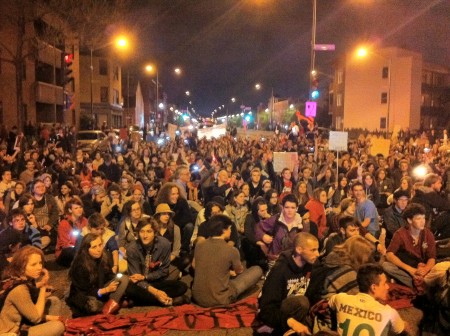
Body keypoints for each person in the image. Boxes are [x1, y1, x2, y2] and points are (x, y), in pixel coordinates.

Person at [192, 214, 262, 307]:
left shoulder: (199, 245)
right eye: (229, 228)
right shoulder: (231, 250)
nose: (230, 231)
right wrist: (229, 271)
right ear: (224, 230)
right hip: (220, 299)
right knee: (257, 270)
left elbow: (195, 265)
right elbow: (239, 271)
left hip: (197, 296)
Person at [257, 232, 319, 336]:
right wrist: (291, 322)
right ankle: (274, 328)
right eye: (313, 250)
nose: (317, 254)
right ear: (299, 250)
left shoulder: (311, 265)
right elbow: (266, 309)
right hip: (277, 309)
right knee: (302, 302)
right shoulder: (279, 271)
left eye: (317, 249)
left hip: (297, 309)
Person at [0, 246, 65, 336]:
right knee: (58, 326)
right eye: (33, 264)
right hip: (10, 331)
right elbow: (36, 318)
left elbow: (28, 290)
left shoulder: (15, 278)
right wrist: (43, 287)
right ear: (21, 266)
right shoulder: (19, 289)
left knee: (53, 301)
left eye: (40, 263)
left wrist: (50, 317)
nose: (39, 267)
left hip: (22, 320)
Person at [328, 264, 408, 336]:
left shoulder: (340, 299)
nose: (387, 287)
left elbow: (329, 303)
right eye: (384, 284)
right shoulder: (388, 312)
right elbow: (402, 329)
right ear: (373, 287)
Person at [126, 218, 188, 306]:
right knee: (129, 289)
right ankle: (170, 301)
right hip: (140, 285)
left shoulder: (164, 244)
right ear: (138, 233)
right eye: (142, 231)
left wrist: (145, 277)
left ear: (155, 233)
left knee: (182, 286)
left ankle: (138, 301)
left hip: (156, 280)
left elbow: (163, 271)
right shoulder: (132, 249)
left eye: (149, 231)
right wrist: (156, 293)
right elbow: (135, 279)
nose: (145, 235)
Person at [67, 233, 131, 316]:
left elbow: (109, 275)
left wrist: (116, 280)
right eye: (94, 247)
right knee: (93, 306)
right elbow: (85, 291)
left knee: (124, 278)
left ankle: (107, 308)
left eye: (100, 245)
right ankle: (113, 303)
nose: (99, 249)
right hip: (87, 295)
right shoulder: (80, 265)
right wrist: (106, 290)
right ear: (86, 249)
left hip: (101, 288)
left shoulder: (103, 256)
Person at [383, 203, 436, 289]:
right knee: (386, 266)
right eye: (418, 219)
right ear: (409, 220)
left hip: (423, 268)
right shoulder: (400, 234)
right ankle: (417, 284)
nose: (423, 221)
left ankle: (417, 283)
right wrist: (410, 270)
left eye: (423, 218)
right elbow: (389, 254)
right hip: (407, 268)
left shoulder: (428, 234)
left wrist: (425, 269)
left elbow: (432, 258)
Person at [255, 194, 303, 263]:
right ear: (282, 207)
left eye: (293, 207)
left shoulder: (301, 223)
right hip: (275, 259)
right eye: (287, 207)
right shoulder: (276, 219)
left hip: (292, 261)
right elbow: (257, 227)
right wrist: (263, 236)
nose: (290, 210)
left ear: (297, 208)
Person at [55, 198, 88, 267]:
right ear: (70, 210)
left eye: (80, 207)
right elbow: (65, 244)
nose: (79, 210)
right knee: (70, 251)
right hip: (66, 252)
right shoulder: (64, 223)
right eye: (76, 208)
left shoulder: (84, 221)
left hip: (81, 248)